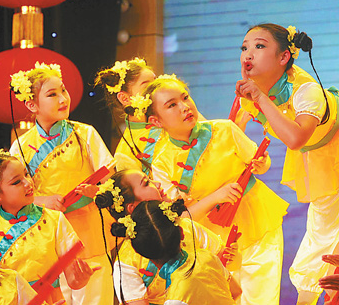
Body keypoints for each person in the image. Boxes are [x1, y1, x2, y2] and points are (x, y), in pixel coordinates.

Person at [143, 75, 289, 305]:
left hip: (256, 219)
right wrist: (216, 197)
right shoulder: (161, 163)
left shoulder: (224, 128)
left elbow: (260, 162)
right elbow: (180, 218)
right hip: (213, 239)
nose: (185, 107)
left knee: (262, 297)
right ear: (156, 121)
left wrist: (262, 163)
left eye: (185, 97)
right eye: (172, 105)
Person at [235, 23, 339, 305]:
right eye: (244, 48)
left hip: (332, 156)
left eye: (259, 46)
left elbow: (294, 138)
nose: (248, 54)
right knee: (323, 235)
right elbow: (233, 138)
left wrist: (258, 97)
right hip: (322, 160)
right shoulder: (257, 92)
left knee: (322, 235)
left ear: (284, 57)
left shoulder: (306, 91)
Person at [8, 61, 115, 305]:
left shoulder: (85, 134)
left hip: (89, 234)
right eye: (52, 94)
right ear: (32, 105)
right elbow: (12, 197)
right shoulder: (20, 147)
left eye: (63, 90)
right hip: (48, 239)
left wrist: (97, 191)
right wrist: (41, 200)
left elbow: (112, 181)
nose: (62, 98)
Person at [0, 151, 99, 304]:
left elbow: (73, 280)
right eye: (17, 182)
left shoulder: (54, 219)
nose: (28, 183)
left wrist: (81, 279)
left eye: (26, 174)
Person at [94, 169, 241, 305]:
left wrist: (233, 257)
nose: (157, 184)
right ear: (131, 207)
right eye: (146, 183)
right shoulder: (126, 261)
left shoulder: (186, 226)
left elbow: (227, 272)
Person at [111, 199, 241, 305]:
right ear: (181, 233)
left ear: (141, 253)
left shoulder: (176, 297)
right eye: (146, 183)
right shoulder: (207, 257)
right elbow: (236, 291)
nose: (157, 185)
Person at [94, 58, 161, 173]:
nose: (157, 90)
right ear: (124, 98)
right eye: (147, 87)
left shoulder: (175, 116)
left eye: (157, 84)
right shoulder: (125, 153)